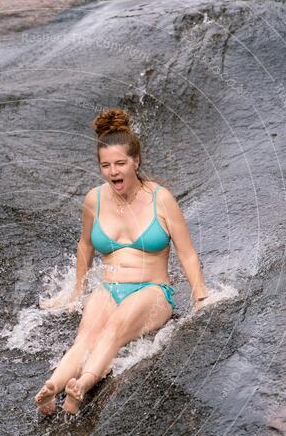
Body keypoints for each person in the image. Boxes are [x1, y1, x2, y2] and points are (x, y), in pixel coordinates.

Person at [34, 108, 210, 416]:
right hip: (110, 286)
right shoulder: (94, 199)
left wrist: (201, 296)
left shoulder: (161, 198)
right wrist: (76, 292)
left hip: (152, 291)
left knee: (113, 329)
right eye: (105, 165)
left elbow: (187, 252)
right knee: (85, 335)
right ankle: (52, 386)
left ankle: (83, 384)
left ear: (135, 162)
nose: (113, 171)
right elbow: (86, 246)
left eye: (120, 163)